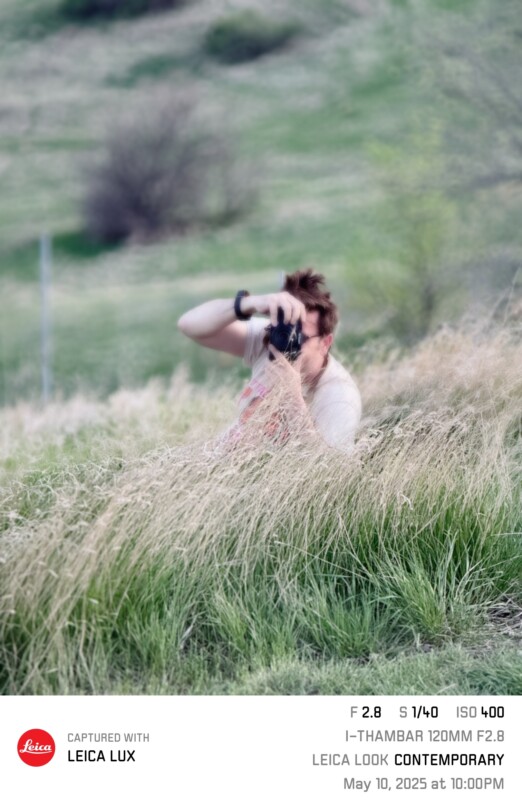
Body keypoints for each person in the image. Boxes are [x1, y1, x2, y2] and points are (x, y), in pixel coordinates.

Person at [177, 269, 361, 452]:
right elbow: (188, 325)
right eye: (282, 332)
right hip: (217, 463)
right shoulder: (273, 340)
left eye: (300, 338)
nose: (287, 343)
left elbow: (331, 469)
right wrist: (249, 303)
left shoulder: (340, 396)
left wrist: (292, 394)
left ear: (325, 343)